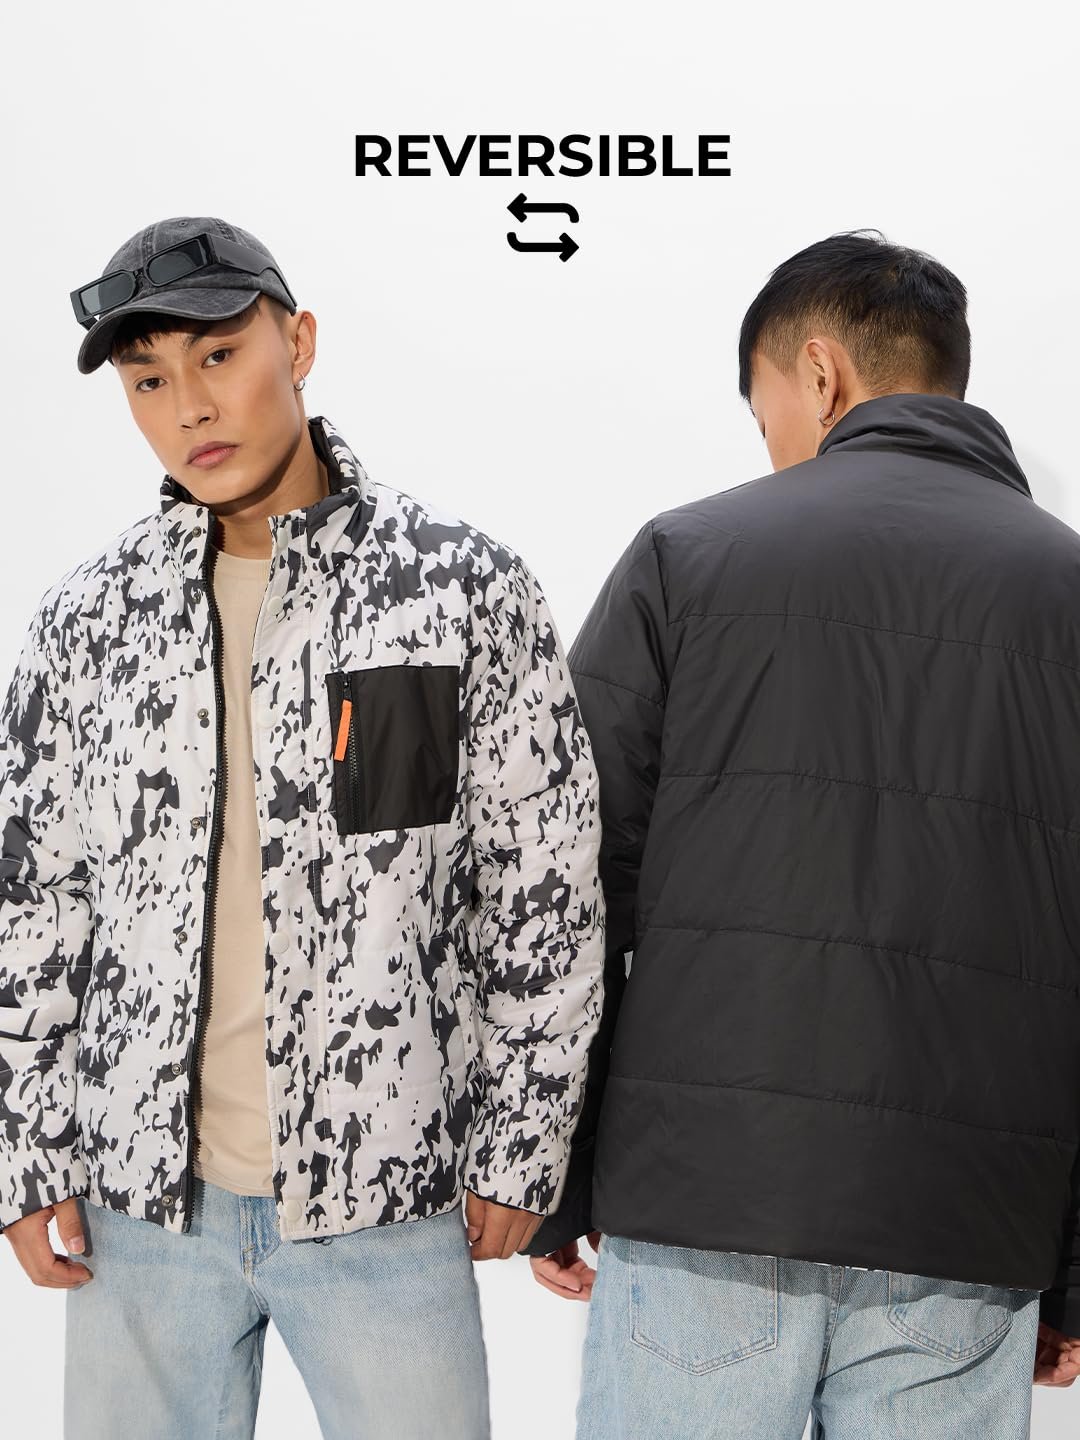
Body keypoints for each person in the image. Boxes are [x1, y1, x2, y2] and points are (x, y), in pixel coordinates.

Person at [0, 213, 605, 1439]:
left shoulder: (457, 588)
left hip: (390, 1198)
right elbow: (33, 903)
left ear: (301, 342)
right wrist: (26, 1149)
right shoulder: (87, 624)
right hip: (140, 1208)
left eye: (219, 356)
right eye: (148, 379)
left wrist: (521, 1146)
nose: (189, 406)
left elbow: (544, 886)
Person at [523, 228, 1080, 1438]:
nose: (770, 446)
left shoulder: (689, 557)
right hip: (967, 1234)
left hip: (704, 1207)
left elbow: (563, 889)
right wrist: (1073, 1265)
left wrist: (547, 1176)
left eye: (764, 410)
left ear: (819, 374)